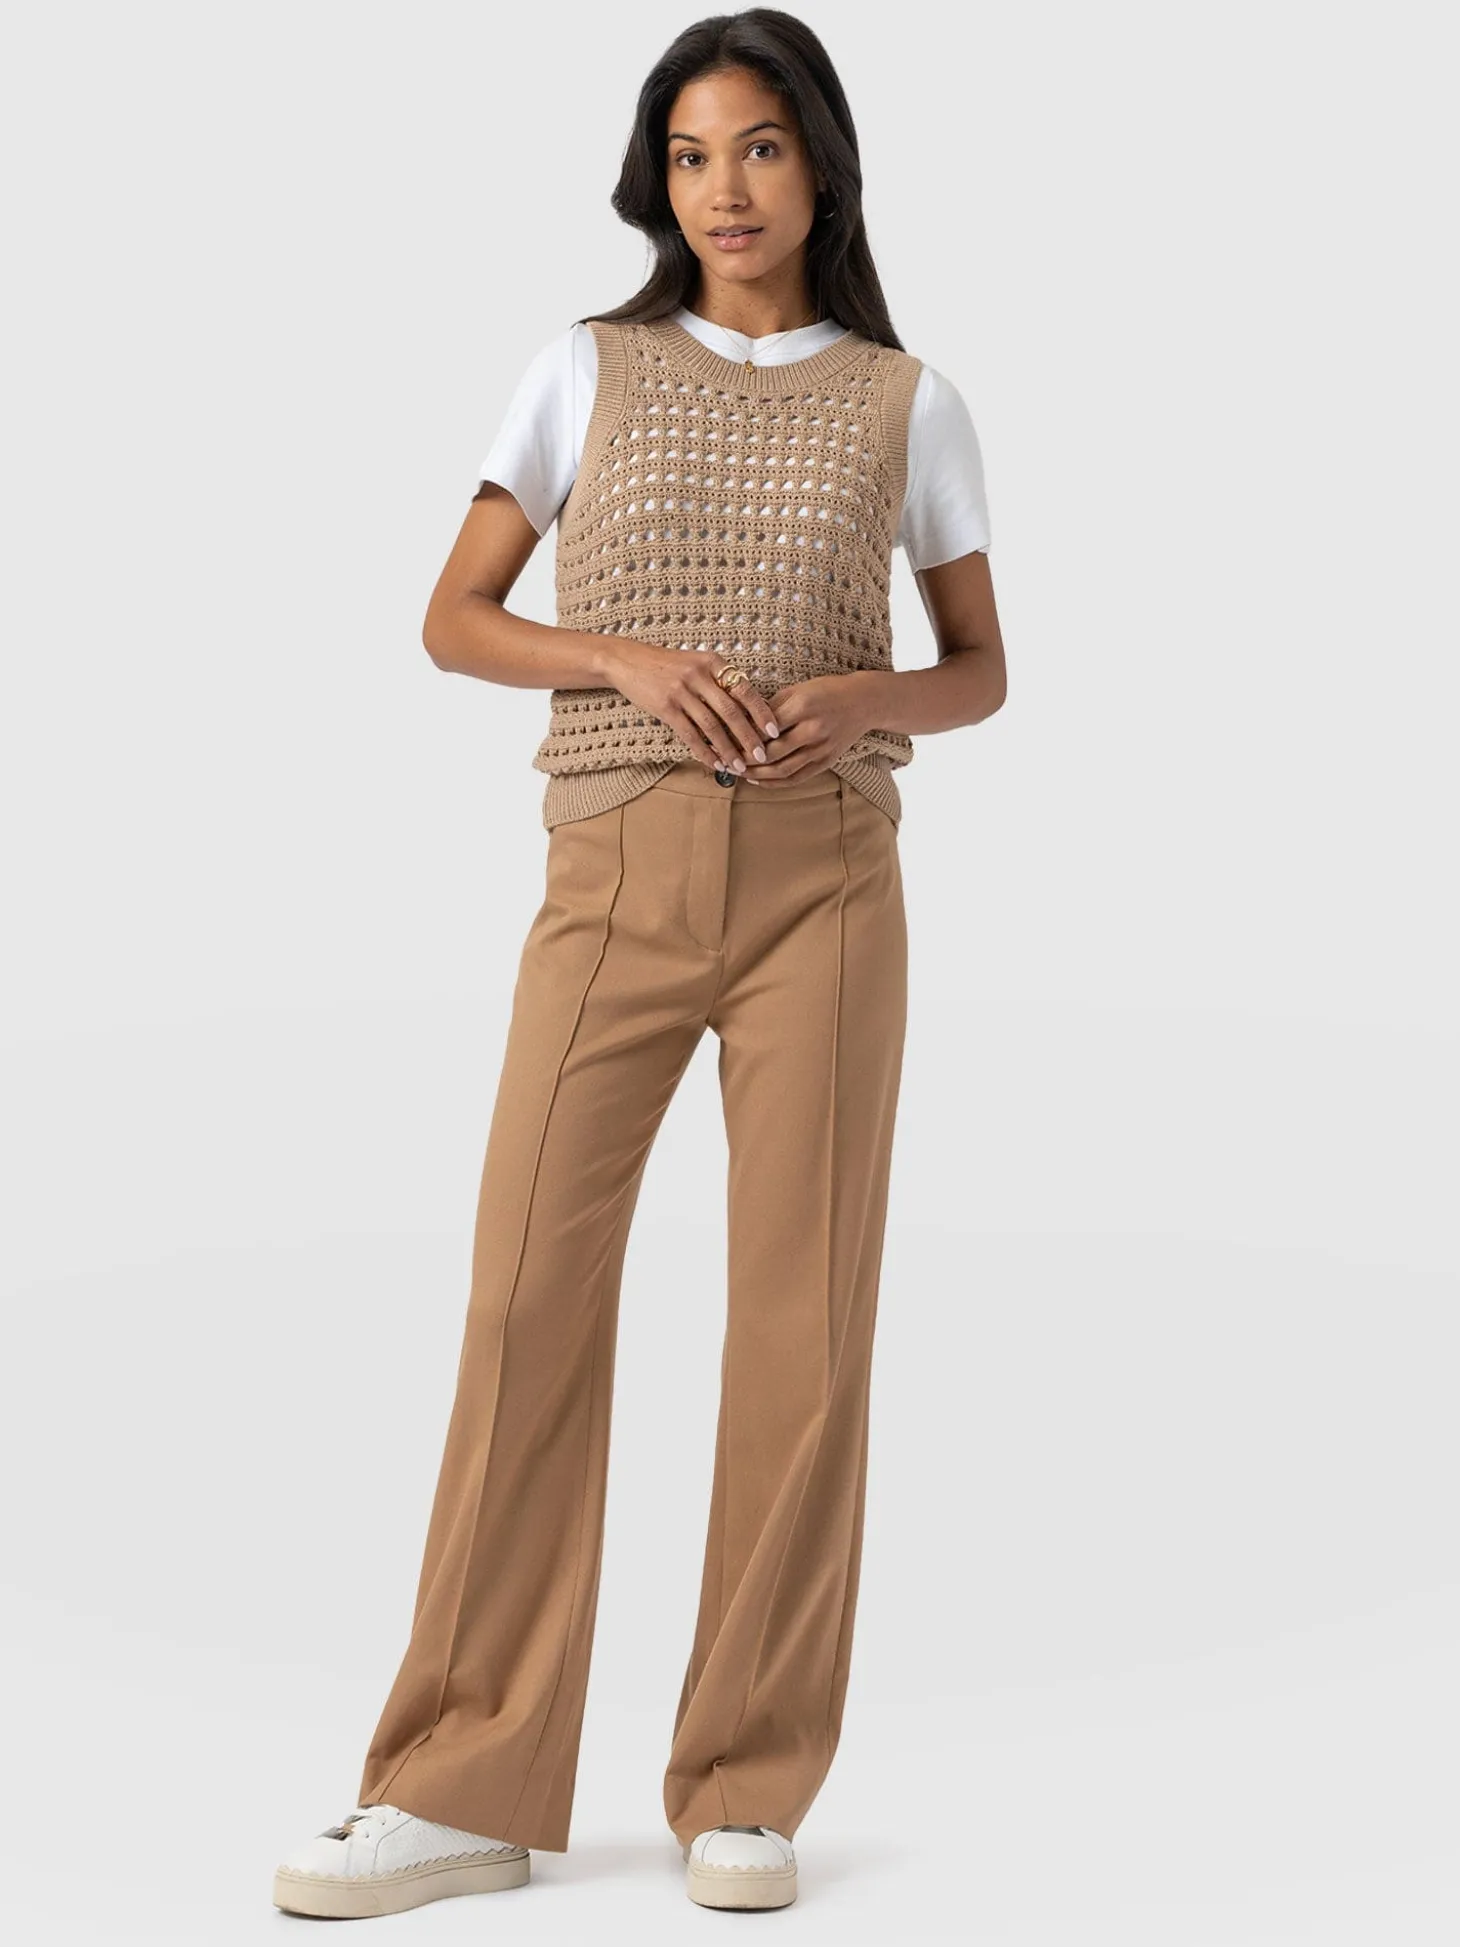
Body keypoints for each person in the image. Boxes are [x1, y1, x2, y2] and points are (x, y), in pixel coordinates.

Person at [272, 5, 1005, 1919]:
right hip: (611, 874)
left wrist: (863, 696)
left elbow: (982, 669)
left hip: (827, 885)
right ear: (655, 181)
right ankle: (458, 1779)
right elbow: (453, 616)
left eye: (757, 147)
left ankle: (746, 1782)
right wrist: (621, 657)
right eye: (689, 156)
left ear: (820, 163)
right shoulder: (584, 368)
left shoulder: (908, 401)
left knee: (801, 1325)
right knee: (526, 1294)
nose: (723, 190)